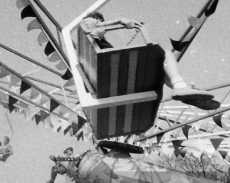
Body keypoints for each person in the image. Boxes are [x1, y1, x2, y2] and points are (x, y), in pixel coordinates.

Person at [80, 12, 219, 110]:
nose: (102, 25)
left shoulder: (95, 45)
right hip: (113, 76)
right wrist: (119, 20)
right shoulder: (88, 28)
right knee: (166, 55)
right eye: (99, 22)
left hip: (114, 79)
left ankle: (183, 91)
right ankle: (180, 86)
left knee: (161, 70)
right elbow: (89, 26)